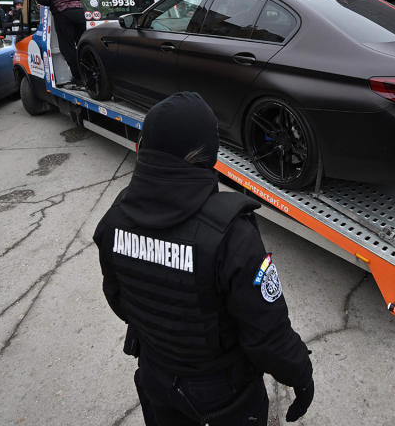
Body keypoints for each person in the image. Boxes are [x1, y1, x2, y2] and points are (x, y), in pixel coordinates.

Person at [93, 92, 314, 425]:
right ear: (207, 154)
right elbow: (265, 332)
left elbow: (119, 300)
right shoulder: (231, 235)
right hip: (223, 393)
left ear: (144, 147)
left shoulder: (113, 223)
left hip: (156, 377)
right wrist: (300, 374)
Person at [32, 0, 86, 89]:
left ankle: (79, 79)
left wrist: (55, 2)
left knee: (67, 47)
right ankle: (91, 72)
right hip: (79, 10)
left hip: (62, 13)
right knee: (82, 44)